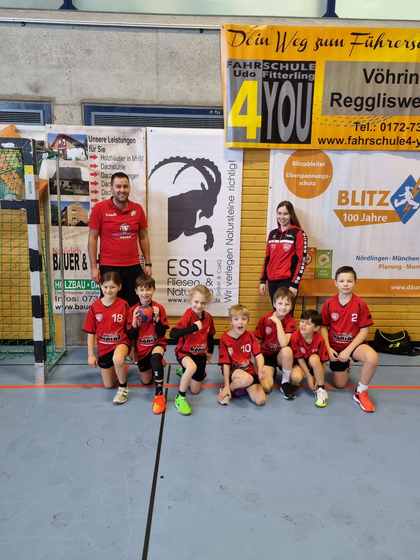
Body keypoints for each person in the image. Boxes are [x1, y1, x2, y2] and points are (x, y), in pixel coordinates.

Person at [88, 172, 152, 307]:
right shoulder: (100, 208)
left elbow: (143, 237)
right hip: (109, 267)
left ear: (129, 188)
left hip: (133, 267)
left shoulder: (137, 209)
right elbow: (92, 238)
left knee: (135, 307)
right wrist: (94, 267)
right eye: (118, 186)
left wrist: (148, 264)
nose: (122, 190)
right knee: (110, 306)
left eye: (125, 186)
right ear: (111, 188)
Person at [320, 266, 379, 413]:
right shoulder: (329, 304)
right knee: (340, 385)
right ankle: (345, 364)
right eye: (341, 281)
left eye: (349, 281)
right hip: (334, 346)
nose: (345, 284)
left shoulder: (360, 304)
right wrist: (328, 348)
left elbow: (364, 331)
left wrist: (347, 351)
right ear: (336, 283)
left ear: (355, 283)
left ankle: (361, 392)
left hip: (353, 345)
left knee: (372, 358)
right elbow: (323, 327)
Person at [83, 271, 131, 404]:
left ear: (119, 287)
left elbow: (130, 330)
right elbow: (90, 332)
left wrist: (132, 350)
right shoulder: (95, 307)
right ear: (100, 286)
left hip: (121, 343)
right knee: (108, 385)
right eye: (105, 286)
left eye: (112, 287)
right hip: (104, 348)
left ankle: (123, 388)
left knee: (117, 358)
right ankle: (119, 366)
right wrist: (90, 355)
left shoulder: (124, 305)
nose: (108, 290)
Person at [170, 285, 215, 416]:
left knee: (195, 390)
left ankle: (185, 372)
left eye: (203, 302)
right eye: (196, 301)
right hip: (184, 353)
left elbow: (210, 335)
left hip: (200, 354)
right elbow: (173, 334)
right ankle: (180, 397)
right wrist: (193, 328)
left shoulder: (208, 317)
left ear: (207, 303)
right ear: (190, 300)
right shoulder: (188, 315)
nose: (199, 305)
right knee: (191, 367)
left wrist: (210, 351)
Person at [128, 275, 169, 415]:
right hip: (142, 349)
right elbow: (132, 336)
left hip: (157, 343)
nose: (145, 293)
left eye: (148, 289)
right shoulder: (132, 310)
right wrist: (134, 321)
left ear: (154, 290)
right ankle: (154, 363)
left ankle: (159, 395)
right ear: (136, 291)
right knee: (146, 381)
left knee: (155, 359)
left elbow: (162, 334)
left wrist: (157, 319)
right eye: (141, 289)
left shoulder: (159, 308)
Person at [259, 200, 308, 303]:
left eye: (285, 214)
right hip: (272, 282)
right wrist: (263, 280)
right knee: (276, 310)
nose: (282, 216)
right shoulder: (272, 234)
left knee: (286, 311)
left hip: (288, 282)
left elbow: (302, 260)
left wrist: (294, 284)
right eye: (279, 213)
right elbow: (267, 258)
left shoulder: (298, 233)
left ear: (291, 215)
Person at [218, 304, 266, 407]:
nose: (240, 322)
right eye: (236, 319)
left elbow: (258, 355)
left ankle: (240, 386)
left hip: (248, 370)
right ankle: (228, 388)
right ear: (230, 321)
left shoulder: (250, 336)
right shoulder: (224, 338)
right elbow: (226, 364)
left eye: (243, 319)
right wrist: (227, 385)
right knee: (247, 379)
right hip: (233, 370)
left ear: (248, 321)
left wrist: (261, 368)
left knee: (261, 400)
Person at [254, 287, 296, 398]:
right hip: (267, 356)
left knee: (287, 350)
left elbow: (284, 343)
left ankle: (285, 383)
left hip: (282, 357)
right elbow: (257, 344)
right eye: (280, 303)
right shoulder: (264, 319)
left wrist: (278, 322)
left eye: (287, 304)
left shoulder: (291, 321)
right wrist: (258, 366)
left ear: (291, 306)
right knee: (266, 388)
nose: (283, 307)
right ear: (274, 304)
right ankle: (272, 372)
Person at [290, 309, 329, 408]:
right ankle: (302, 374)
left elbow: (323, 362)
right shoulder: (295, 336)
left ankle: (321, 390)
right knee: (296, 378)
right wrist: (309, 376)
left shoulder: (320, 339)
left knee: (315, 358)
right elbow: (299, 358)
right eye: (302, 321)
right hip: (300, 362)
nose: (303, 325)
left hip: (312, 363)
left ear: (316, 328)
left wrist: (319, 380)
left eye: (308, 323)